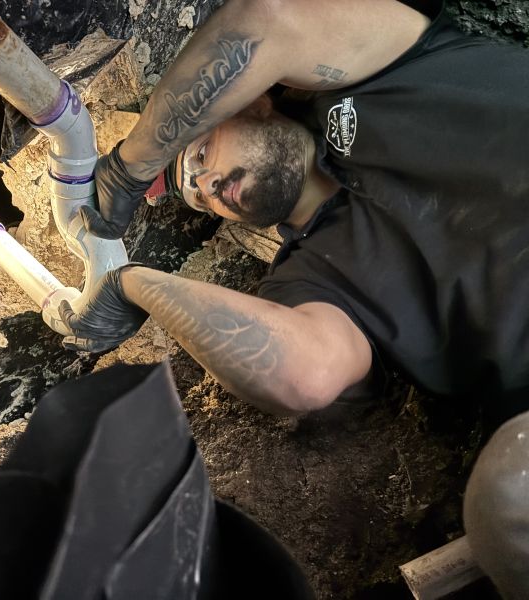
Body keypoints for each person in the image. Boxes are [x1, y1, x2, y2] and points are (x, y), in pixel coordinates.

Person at [57, 0, 529, 596]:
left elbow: (270, 18)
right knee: (507, 495)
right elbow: (304, 375)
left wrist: (130, 167)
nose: (205, 185)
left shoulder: (390, 71)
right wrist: (130, 281)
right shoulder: (308, 279)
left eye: (200, 155)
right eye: (200, 197)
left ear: (252, 99)